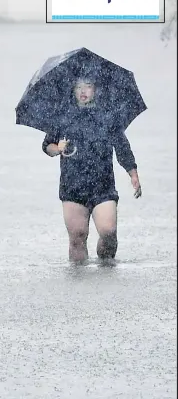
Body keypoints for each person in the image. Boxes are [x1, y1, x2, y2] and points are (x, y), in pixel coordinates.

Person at [43, 76, 142, 264]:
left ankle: (106, 267)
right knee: (77, 237)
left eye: (87, 87)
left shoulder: (108, 115)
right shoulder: (63, 116)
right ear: (72, 90)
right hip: (72, 186)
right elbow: (47, 146)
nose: (83, 91)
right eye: (78, 87)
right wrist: (58, 148)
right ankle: (79, 286)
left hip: (102, 186)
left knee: (108, 232)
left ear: (95, 90)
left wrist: (133, 173)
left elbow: (122, 147)